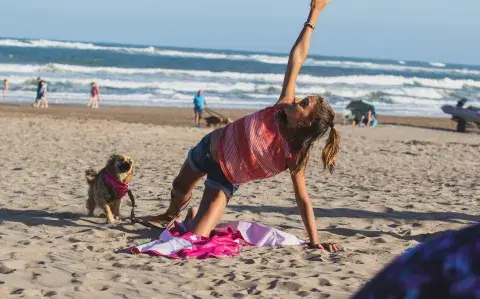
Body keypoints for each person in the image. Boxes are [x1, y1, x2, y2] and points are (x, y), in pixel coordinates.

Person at [144, 0, 341, 252]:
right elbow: (297, 58)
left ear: (305, 123)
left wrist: (315, 241)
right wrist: (314, 13)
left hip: (225, 179)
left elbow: (302, 199)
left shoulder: (294, 155)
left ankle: (192, 214)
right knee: (180, 186)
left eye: (303, 103)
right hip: (208, 150)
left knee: (196, 239)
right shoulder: (280, 107)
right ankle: (170, 213)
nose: (296, 100)